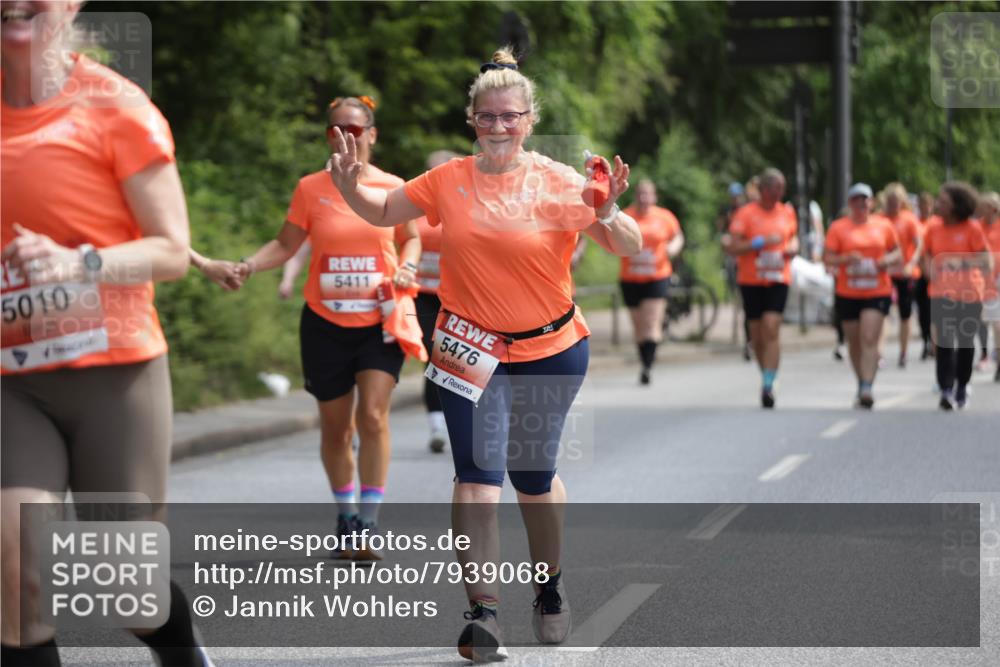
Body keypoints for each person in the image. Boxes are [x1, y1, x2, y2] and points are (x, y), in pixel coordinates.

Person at [326, 46, 641, 661]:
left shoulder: (556, 179)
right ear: (472, 120)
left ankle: (547, 586)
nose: (498, 127)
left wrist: (608, 208)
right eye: (487, 117)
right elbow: (385, 210)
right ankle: (483, 613)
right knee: (475, 478)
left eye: (510, 117)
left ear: (529, 119)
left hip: (550, 347)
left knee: (532, 476)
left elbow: (625, 245)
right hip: (467, 347)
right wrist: (349, 186)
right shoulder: (449, 180)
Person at [1, 4, 210, 665]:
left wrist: (79, 261)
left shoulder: (117, 106)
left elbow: (173, 251)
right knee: (18, 566)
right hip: (11, 380)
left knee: (124, 587)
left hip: (114, 373)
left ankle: (181, 651)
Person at [193, 96, 422, 558]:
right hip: (324, 322)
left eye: (356, 129)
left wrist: (408, 267)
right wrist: (246, 266)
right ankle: (347, 514)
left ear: (372, 135)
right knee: (335, 429)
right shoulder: (311, 188)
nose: (346, 136)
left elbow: (412, 237)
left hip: (380, 319)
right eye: (336, 129)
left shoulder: (392, 186)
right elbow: (284, 244)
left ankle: (369, 526)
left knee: (373, 416)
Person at [823, 184, 901, 408]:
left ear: (872, 203)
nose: (861, 204)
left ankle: (867, 386)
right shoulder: (838, 228)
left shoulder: (883, 225)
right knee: (854, 341)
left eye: (865, 199)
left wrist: (887, 260)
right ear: (850, 203)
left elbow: (897, 252)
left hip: (877, 290)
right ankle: (861, 381)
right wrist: (845, 259)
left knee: (869, 337)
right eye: (856, 200)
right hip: (848, 291)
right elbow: (827, 258)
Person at [726, 167, 799, 408]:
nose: (779, 193)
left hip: (778, 277)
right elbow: (733, 246)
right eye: (775, 188)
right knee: (756, 336)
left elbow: (794, 238)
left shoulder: (787, 212)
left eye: (782, 189)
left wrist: (792, 248)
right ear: (764, 189)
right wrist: (760, 243)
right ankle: (766, 374)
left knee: (771, 327)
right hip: (751, 279)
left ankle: (769, 381)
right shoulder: (746, 214)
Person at [921, 182, 993, 410]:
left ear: (956, 205)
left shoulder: (972, 228)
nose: (938, 204)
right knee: (943, 341)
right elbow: (926, 255)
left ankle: (962, 384)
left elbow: (986, 261)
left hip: (969, 293)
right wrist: (928, 269)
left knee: (964, 342)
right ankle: (945, 388)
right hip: (941, 293)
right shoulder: (933, 227)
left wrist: (959, 261)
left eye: (943, 201)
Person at [415, 149, 461, 452]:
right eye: (429, 172)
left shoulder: (467, 206)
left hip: (460, 299)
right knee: (436, 356)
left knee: (456, 362)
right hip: (423, 295)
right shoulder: (412, 206)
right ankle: (437, 426)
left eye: (439, 172)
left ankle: (462, 423)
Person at [620, 179, 684, 385]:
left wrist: (672, 248)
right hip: (630, 277)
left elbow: (677, 237)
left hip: (657, 276)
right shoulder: (626, 216)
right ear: (635, 196)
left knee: (650, 322)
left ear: (654, 197)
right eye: (641, 194)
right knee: (638, 326)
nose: (644, 198)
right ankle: (644, 359)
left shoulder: (664, 217)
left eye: (648, 194)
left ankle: (647, 367)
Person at [880, 183, 924, 368]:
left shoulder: (909, 219)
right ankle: (878, 353)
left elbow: (919, 245)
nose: (893, 205)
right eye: (890, 201)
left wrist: (912, 263)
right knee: (882, 313)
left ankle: (903, 352)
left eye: (896, 201)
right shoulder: (879, 219)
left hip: (905, 273)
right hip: (885, 274)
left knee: (905, 314)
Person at [975, 191, 1000, 381]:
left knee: (997, 325)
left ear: (993, 209)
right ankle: (984, 353)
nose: (979, 210)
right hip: (979, 281)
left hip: (997, 280)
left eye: (982, 207)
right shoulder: (977, 228)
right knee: (981, 321)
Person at [915, 191, 938, 360]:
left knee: (934, 311)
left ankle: (935, 343)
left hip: (937, 275)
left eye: (928, 205)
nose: (925, 208)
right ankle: (925, 341)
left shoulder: (936, 223)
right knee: (923, 311)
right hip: (919, 273)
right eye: (923, 205)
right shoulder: (916, 223)